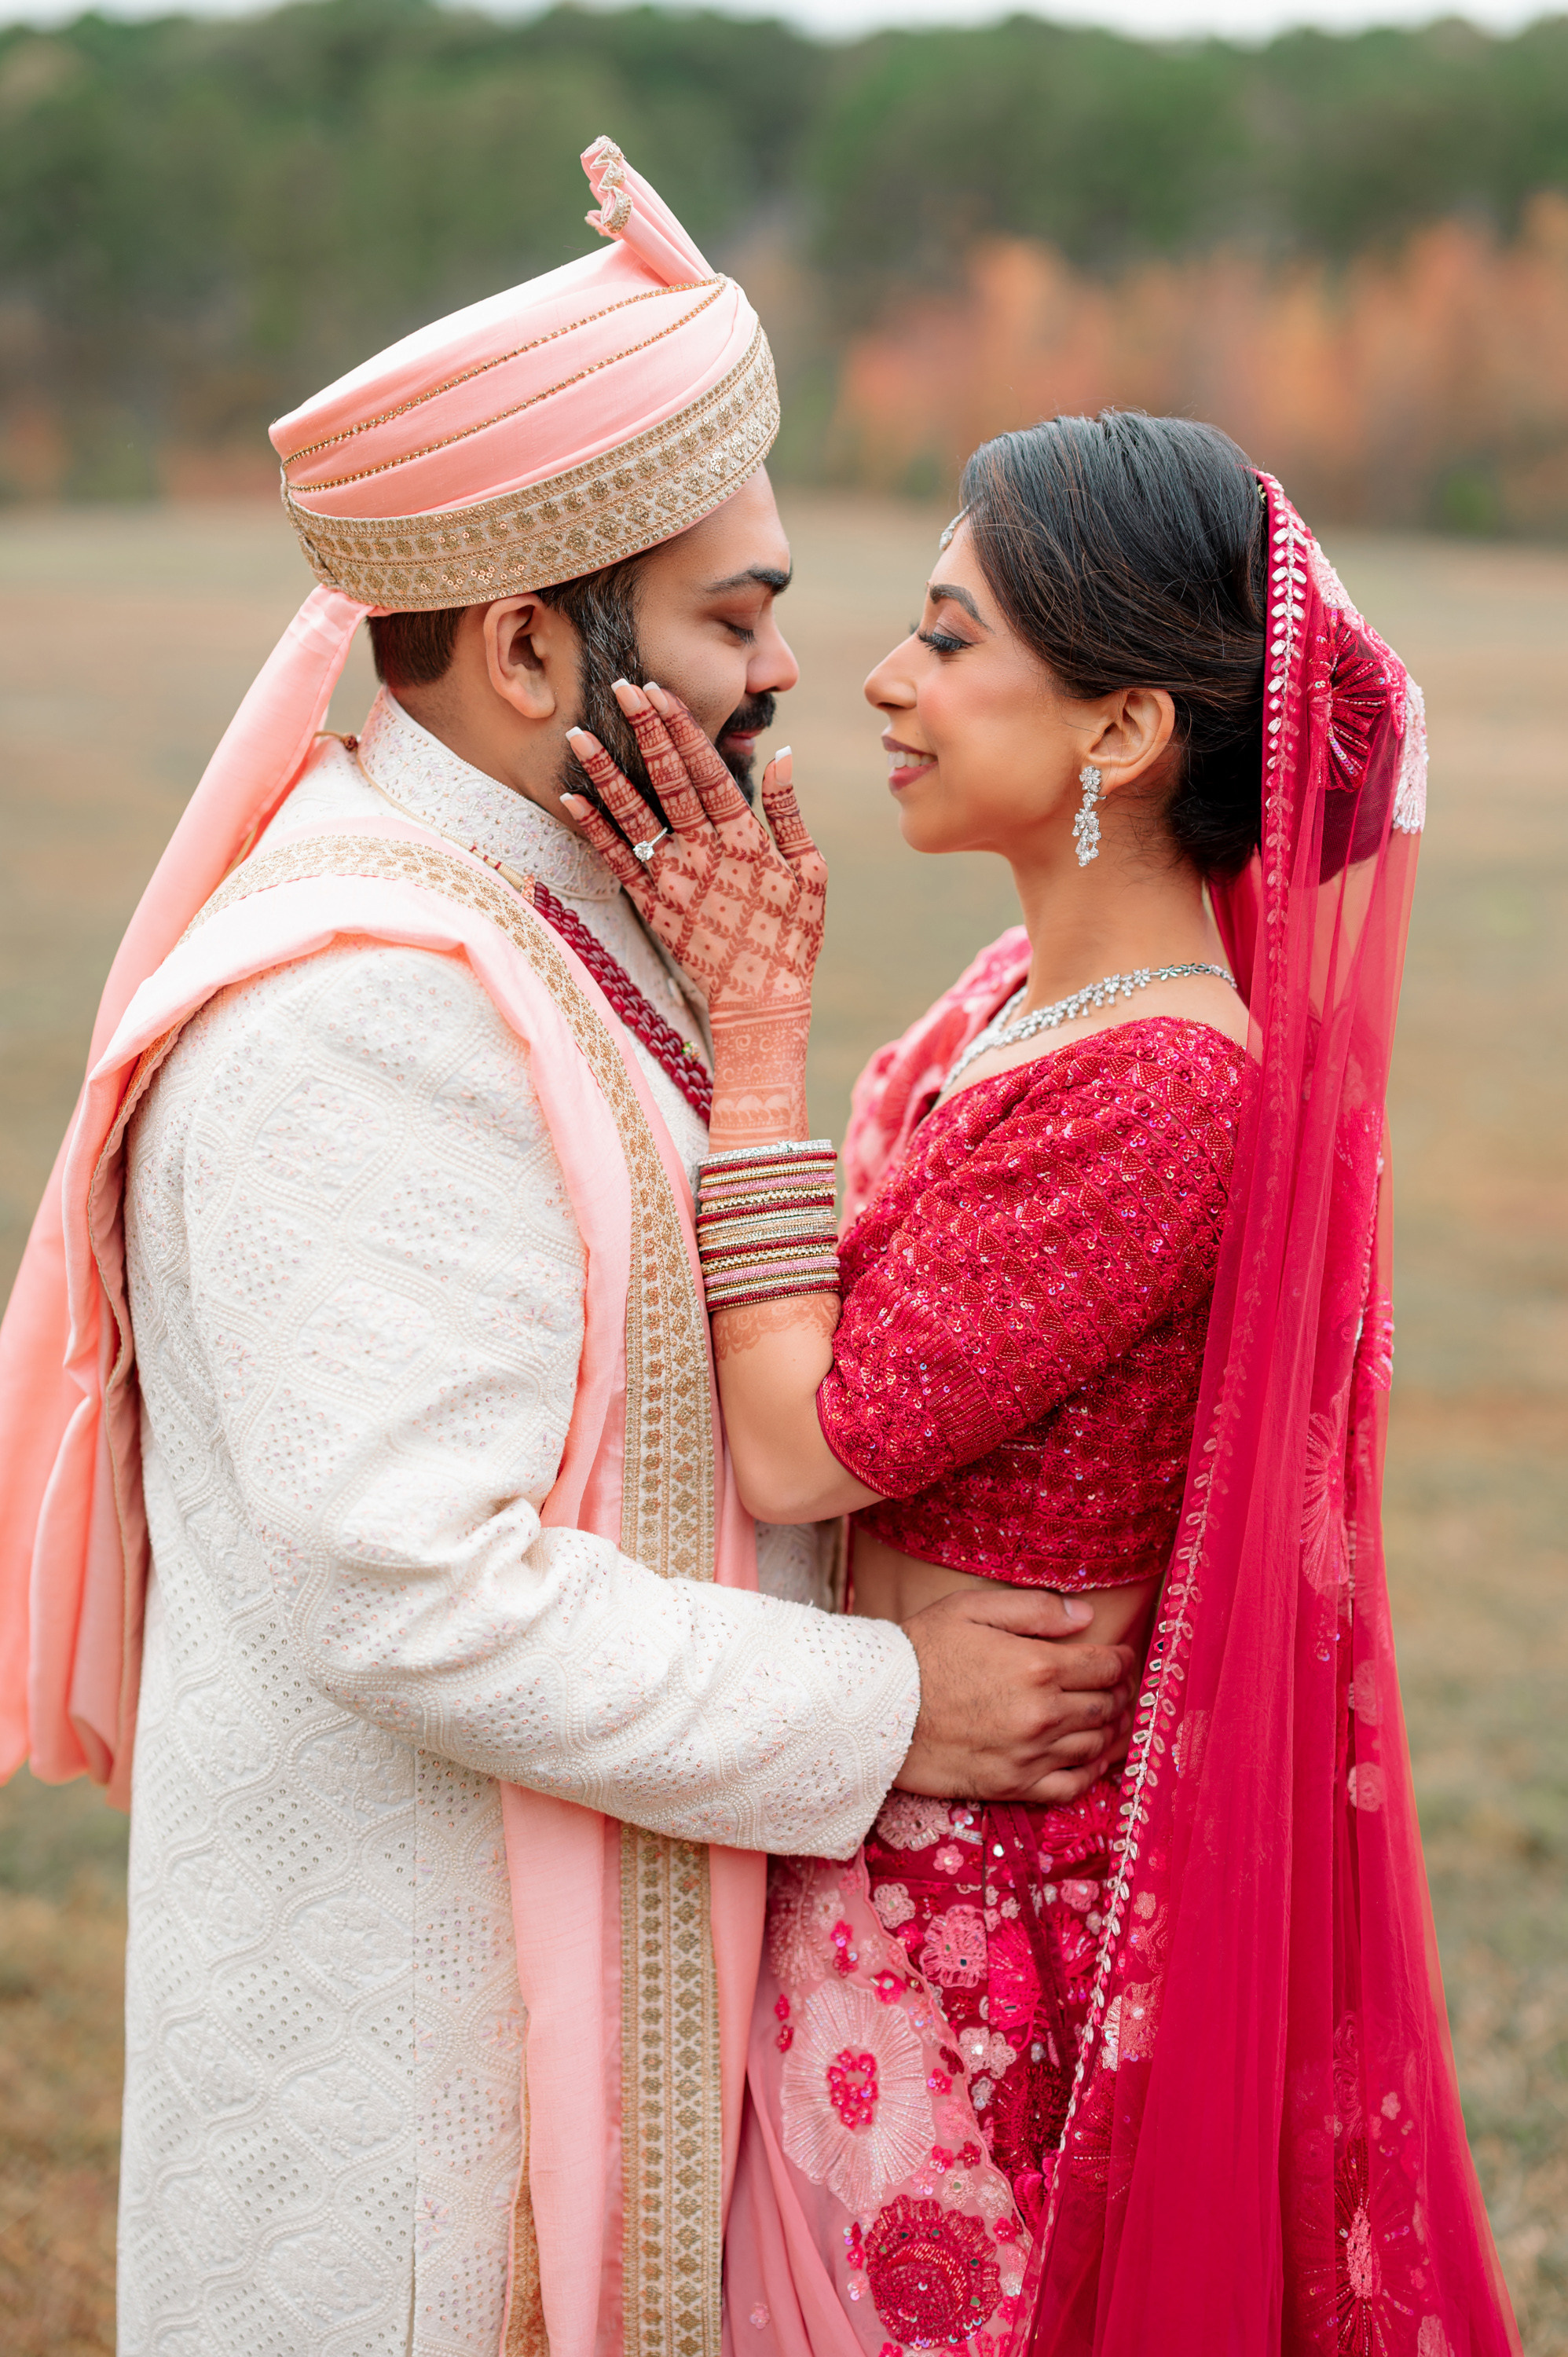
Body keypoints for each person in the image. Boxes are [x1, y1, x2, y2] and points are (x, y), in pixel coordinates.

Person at [0, 149, 1134, 2357]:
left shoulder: (541, 917)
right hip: (423, 2108)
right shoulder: (362, 1004)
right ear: (527, 644)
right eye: (733, 615)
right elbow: (410, 1586)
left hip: (596, 1990)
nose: (788, 671)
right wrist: (891, 1704)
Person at [562, 412, 1521, 2354]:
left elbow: (802, 1438)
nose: (882, 681)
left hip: (981, 1939)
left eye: (947, 636)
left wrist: (754, 1039)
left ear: (1116, 734)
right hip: (888, 1809)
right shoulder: (1014, 1005)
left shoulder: (1160, 1085)